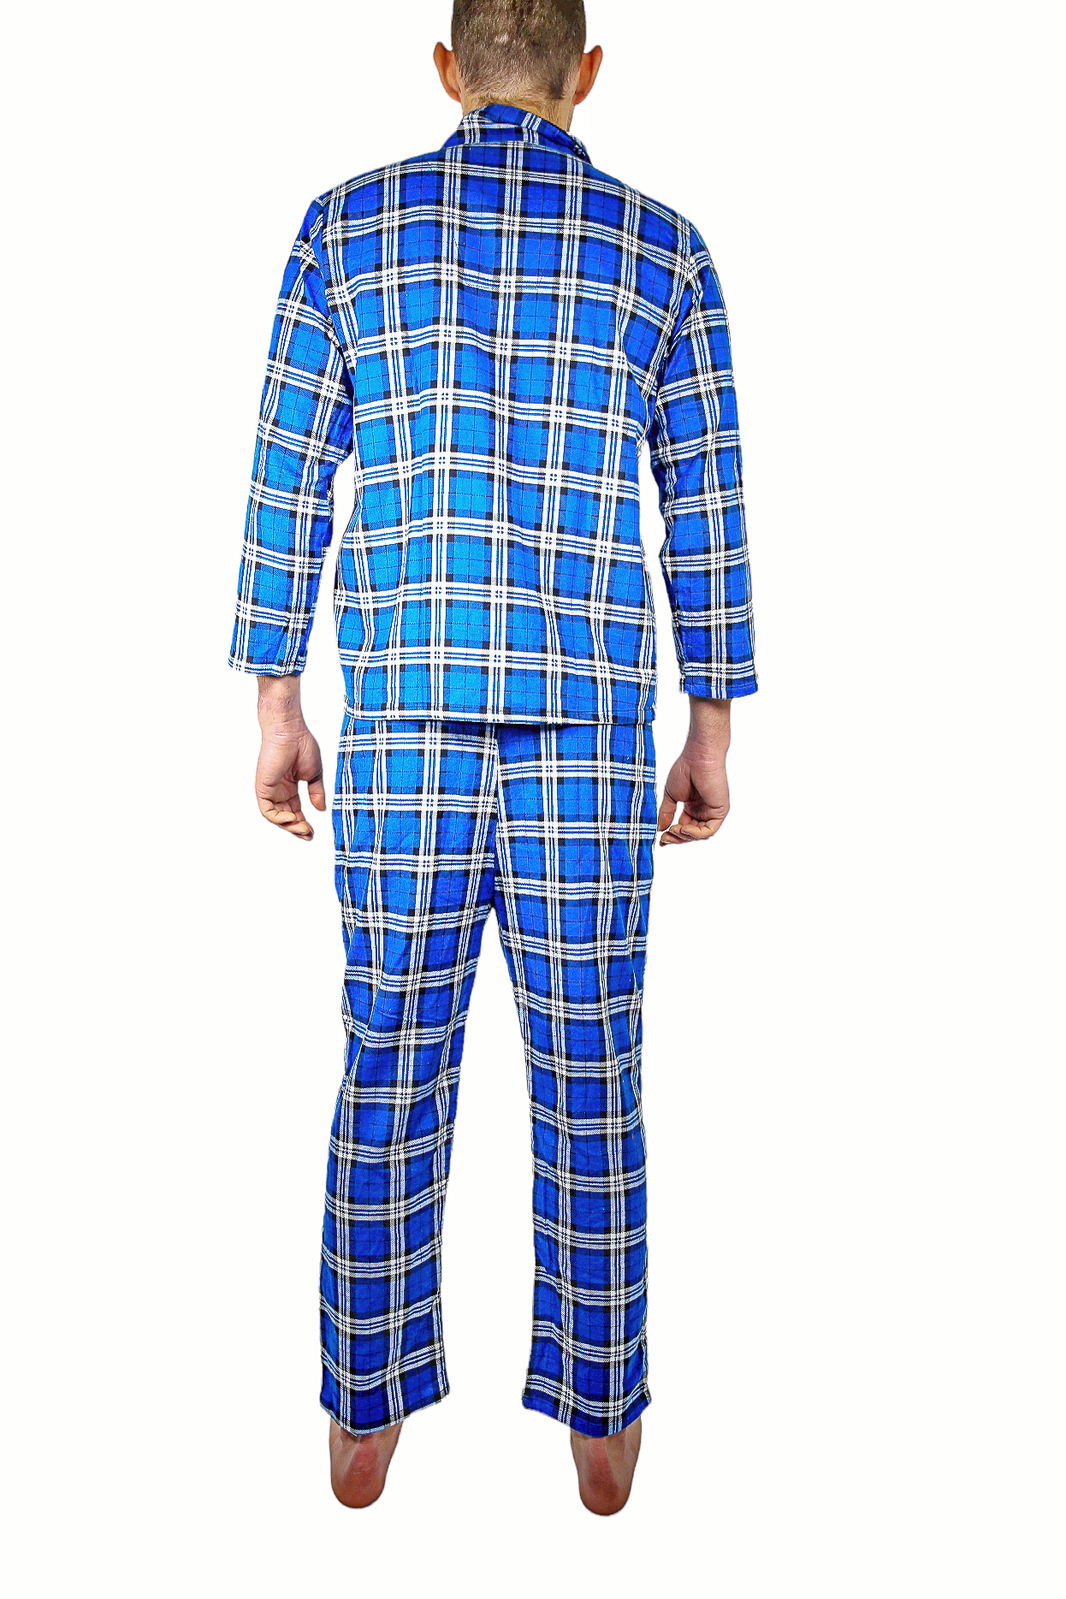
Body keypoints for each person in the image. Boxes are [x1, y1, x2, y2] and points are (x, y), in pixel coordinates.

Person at [228, 0, 757, 1517]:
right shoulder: (665, 249)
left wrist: (276, 707)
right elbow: (705, 501)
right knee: (592, 1073)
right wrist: (710, 727)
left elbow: (288, 477)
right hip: (590, 731)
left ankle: (364, 1411)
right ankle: (600, 1416)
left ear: (447, 69)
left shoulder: (345, 229)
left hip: (403, 723)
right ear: (586, 75)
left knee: (388, 1064)